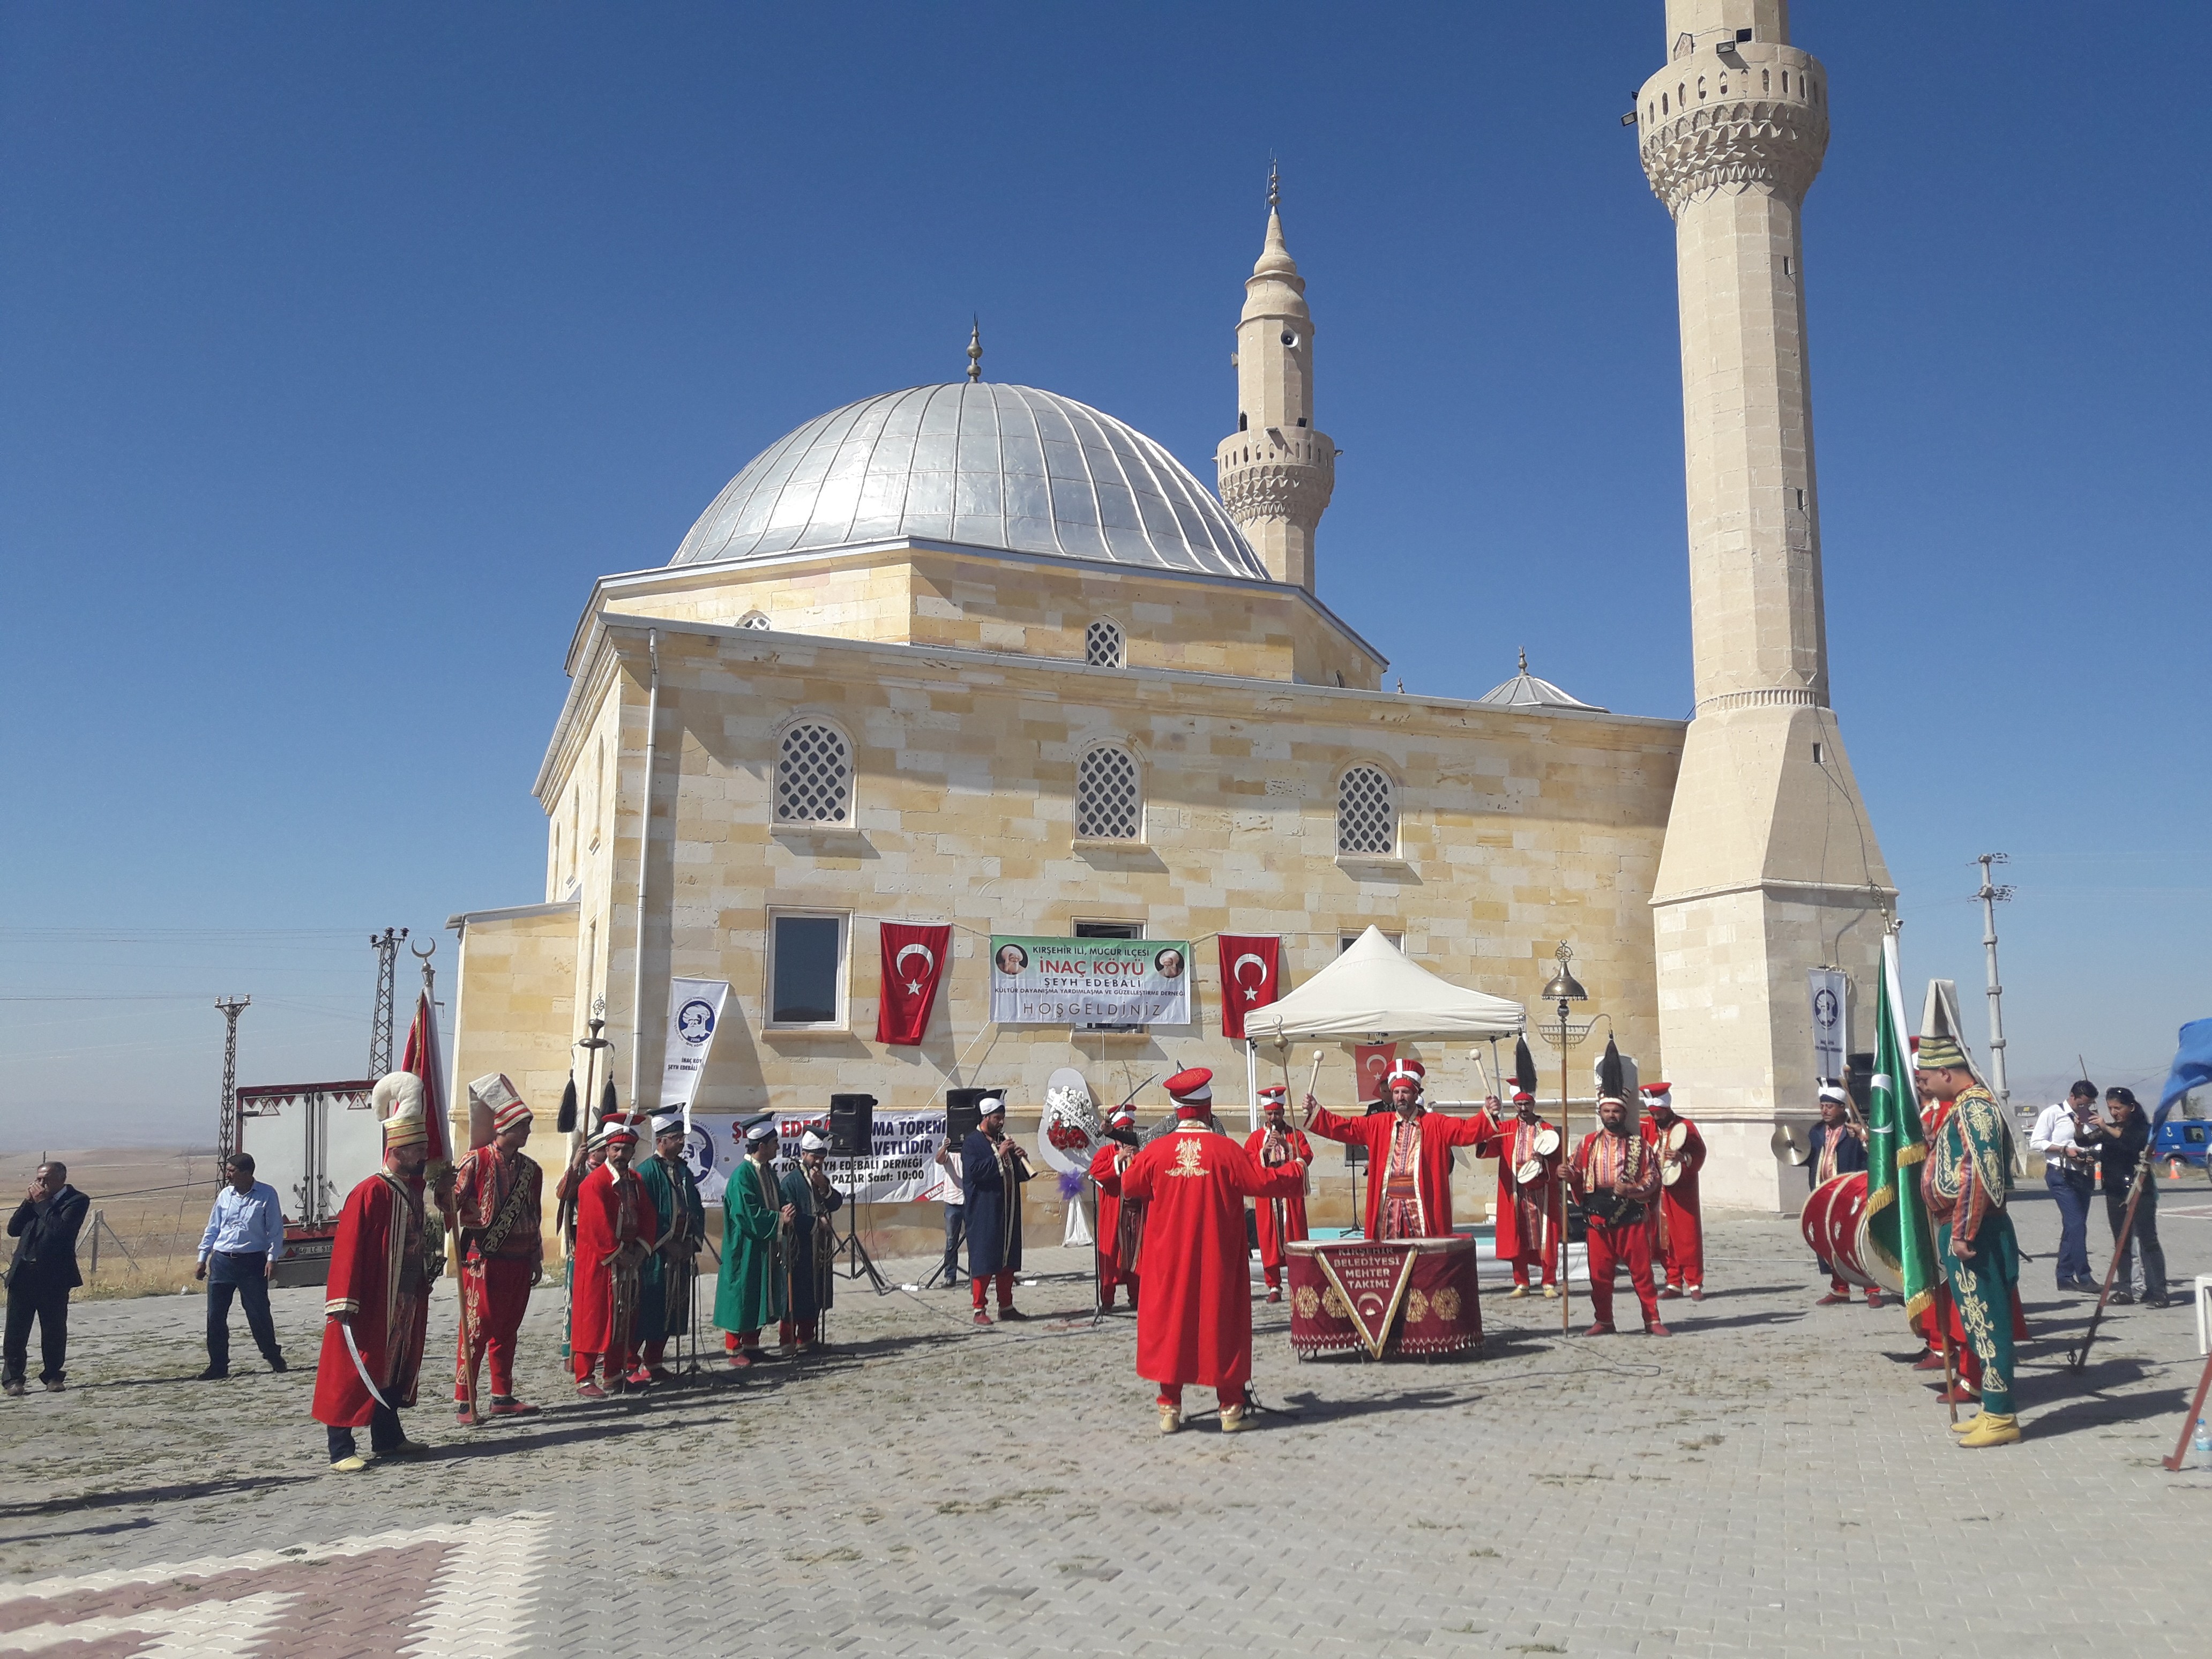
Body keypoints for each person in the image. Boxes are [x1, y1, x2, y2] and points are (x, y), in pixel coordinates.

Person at [1118, 1078, 1307, 1433]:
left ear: (1177, 1111)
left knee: (1171, 1327)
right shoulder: (1226, 1150)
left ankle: (1169, 1409)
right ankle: (1231, 1409)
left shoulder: (1156, 1153)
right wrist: (1295, 1170)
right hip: (1216, 1258)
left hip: (1168, 1260)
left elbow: (1129, 1185)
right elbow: (1263, 1184)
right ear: (1207, 1109)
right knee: (1222, 1325)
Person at [311, 1102, 435, 1471]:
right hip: (371, 1300)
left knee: (393, 1367)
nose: (423, 1157)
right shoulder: (370, 1192)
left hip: (404, 1297)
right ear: (397, 1152)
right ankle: (340, 1449)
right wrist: (343, 1298)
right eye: (417, 1151)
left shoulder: (411, 1192)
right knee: (356, 1367)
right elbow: (349, 1248)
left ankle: (388, 1437)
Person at [1916, 1033, 2023, 1446]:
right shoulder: (1960, 1108)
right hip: (1963, 1226)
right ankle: (1991, 1410)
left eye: (1926, 1075)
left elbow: (1978, 1172)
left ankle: (2001, 1417)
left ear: (1946, 1072)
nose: (1923, 1083)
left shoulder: (1976, 1106)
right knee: (1977, 1324)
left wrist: (1962, 1231)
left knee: (1989, 1322)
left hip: (1974, 1231)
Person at [1303, 1060, 1495, 1240]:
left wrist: (1487, 1112)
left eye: (1405, 1092)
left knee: (1424, 1256)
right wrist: (1317, 1111)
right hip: (1388, 1207)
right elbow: (1346, 1127)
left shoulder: (1436, 1124)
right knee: (1390, 1255)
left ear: (1416, 1094)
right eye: (1396, 1092)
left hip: (1421, 1207)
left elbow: (1466, 1130)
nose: (1400, 1097)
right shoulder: (1379, 1124)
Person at [451, 1092, 544, 1422]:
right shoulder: (474, 1161)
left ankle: (502, 1395)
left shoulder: (532, 1170)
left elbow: (535, 1215)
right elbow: (451, 1203)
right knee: (476, 1329)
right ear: (505, 1127)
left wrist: (536, 1257)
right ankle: (466, 1400)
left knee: (508, 1329)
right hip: (483, 1260)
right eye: (524, 1126)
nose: (529, 1133)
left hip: (519, 1261)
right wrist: (447, 1194)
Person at [570, 1112, 659, 1398]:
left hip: (629, 1261)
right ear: (607, 1149)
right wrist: (618, 1253)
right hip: (600, 1262)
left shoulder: (635, 1180)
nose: (621, 1154)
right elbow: (597, 1226)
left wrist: (641, 1249)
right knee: (594, 1318)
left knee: (624, 1318)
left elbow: (648, 1216)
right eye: (616, 1149)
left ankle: (615, 1374)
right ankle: (584, 1377)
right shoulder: (594, 1183)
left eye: (627, 1150)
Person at [1568, 1091, 1668, 1337]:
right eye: (1607, 1111)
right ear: (1600, 1113)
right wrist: (1567, 1174)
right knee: (1599, 1274)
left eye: (1616, 1111)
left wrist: (1633, 1189)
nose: (1611, 1115)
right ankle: (1604, 1321)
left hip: (1630, 1212)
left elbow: (1654, 1176)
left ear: (1624, 1113)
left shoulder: (1640, 1145)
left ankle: (1652, 1319)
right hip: (1597, 1213)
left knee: (1642, 1271)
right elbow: (1575, 1169)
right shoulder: (1588, 1142)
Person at [193, 1152, 288, 1381]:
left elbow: (274, 1229)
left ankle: (272, 1355)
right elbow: (213, 1228)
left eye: (232, 1171)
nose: (227, 1175)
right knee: (215, 1316)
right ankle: (218, 1365)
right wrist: (202, 1258)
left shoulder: (266, 1194)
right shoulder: (225, 1196)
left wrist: (272, 1258)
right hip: (222, 1261)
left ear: (246, 1173)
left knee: (258, 1314)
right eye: (228, 1170)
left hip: (251, 1263)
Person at [4, 1161, 88, 1398]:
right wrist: (28, 1203)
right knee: (16, 1331)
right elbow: (14, 1229)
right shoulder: (35, 1202)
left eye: (46, 1180)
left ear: (61, 1179)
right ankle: (13, 1379)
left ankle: (53, 1376)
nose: (40, 1184)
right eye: (38, 1179)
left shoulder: (77, 1200)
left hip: (54, 1278)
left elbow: (59, 1232)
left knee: (54, 1328)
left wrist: (43, 1203)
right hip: (23, 1275)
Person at [2081, 1087, 2167, 1307]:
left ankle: (2158, 1291)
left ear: (2131, 1107)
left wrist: (2105, 1127)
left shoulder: (2142, 1129)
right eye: (2110, 1108)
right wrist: (2079, 1125)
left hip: (2139, 1190)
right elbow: (2083, 1141)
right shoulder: (2110, 1129)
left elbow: (2130, 1143)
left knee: (2148, 1240)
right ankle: (2126, 1289)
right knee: (2121, 1242)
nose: (2114, 1113)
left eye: (2118, 1108)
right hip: (2114, 1191)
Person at [715, 1122, 790, 1367]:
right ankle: (734, 1349)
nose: (778, 1146)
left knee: (759, 1294)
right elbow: (748, 1213)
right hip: (745, 1246)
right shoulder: (742, 1175)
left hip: (764, 1246)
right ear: (762, 1146)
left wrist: (788, 1208)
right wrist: (780, 1220)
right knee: (742, 1294)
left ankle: (752, 1345)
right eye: (774, 1143)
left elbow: (777, 1199)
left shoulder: (768, 1171)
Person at [638, 1113, 706, 1378]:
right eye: (677, 1138)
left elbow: (697, 1209)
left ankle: (654, 1362)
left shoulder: (684, 1171)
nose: (682, 1143)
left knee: (674, 1310)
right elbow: (646, 1214)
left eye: (683, 1138)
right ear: (662, 1140)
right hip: (656, 1257)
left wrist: (692, 1243)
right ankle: (633, 1364)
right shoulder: (647, 1172)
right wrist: (666, 1245)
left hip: (682, 1253)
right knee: (650, 1309)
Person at [1480, 1090, 1560, 1298]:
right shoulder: (1506, 1129)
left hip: (1541, 1191)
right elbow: (1488, 1146)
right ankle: (1522, 1282)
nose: (1523, 1108)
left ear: (1533, 1104)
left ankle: (1549, 1282)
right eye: (1519, 1104)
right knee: (1518, 1235)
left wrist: (1543, 1161)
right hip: (1516, 1192)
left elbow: (1558, 1161)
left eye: (1527, 1104)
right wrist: (1490, 1120)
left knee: (1546, 1236)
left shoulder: (1548, 1129)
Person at [963, 1095, 1036, 1325]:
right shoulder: (973, 1142)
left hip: (1008, 1212)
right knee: (986, 1261)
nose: (1001, 1123)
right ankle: (979, 1310)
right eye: (997, 1118)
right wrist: (999, 1154)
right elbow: (975, 1172)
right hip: (985, 1212)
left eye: (1003, 1118)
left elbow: (1013, 1175)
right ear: (986, 1118)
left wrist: (1020, 1160)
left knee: (1007, 1261)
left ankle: (1006, 1306)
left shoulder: (1001, 1140)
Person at [1804, 1084, 1876, 1307]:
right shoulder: (1815, 1133)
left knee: (1855, 1243)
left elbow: (1873, 1154)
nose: (1825, 1111)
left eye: (1830, 1107)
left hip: (1850, 1194)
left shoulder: (1853, 1132)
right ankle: (1840, 1289)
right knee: (1830, 1243)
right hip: (1823, 1195)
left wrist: (1865, 1136)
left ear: (1842, 1108)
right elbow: (1808, 1157)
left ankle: (1871, 1289)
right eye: (1822, 1106)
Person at [2029, 1081, 2101, 1292]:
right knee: (2077, 1224)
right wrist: (2064, 1150)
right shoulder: (2053, 1114)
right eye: (2082, 1104)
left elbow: (2097, 1142)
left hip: (2084, 1175)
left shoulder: (2091, 1118)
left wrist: (2092, 1155)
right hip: (2061, 1175)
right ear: (2072, 1096)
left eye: (2090, 1105)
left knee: (2074, 1226)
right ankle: (2085, 1276)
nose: (2085, 1108)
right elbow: (2036, 1142)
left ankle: (2064, 1275)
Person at [1244, 1087, 1313, 1303]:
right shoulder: (1256, 1138)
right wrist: (1264, 1152)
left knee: (1294, 1235)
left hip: (1290, 1194)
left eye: (1278, 1114)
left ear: (1283, 1112)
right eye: (1270, 1114)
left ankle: (1298, 1281)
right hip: (1268, 1195)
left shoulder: (1296, 1134)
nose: (1274, 1118)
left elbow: (1307, 1157)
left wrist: (1287, 1146)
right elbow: (1247, 1162)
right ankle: (1274, 1285)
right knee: (1269, 1239)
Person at [1638, 1082, 1705, 1301]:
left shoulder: (1686, 1126)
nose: (1655, 1117)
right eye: (1652, 1113)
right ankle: (1673, 1281)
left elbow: (1699, 1154)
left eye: (1658, 1113)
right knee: (1663, 1238)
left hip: (1681, 1191)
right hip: (1657, 1193)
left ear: (1667, 1108)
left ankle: (1694, 1283)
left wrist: (1683, 1158)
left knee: (1687, 1236)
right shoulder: (1647, 1126)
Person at [778, 1129, 843, 1352]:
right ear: (804, 1154)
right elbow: (790, 1214)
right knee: (795, 1294)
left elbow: (835, 1202)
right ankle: (787, 1340)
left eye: (822, 1158)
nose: (818, 1162)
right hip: (799, 1246)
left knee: (816, 1291)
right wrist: (816, 1224)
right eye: (814, 1157)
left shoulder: (820, 1180)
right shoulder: (791, 1182)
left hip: (819, 1248)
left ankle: (808, 1337)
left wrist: (824, 1186)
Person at [1089, 1105, 1145, 1311]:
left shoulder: (1142, 1152)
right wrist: (1118, 1160)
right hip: (1114, 1213)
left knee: (1137, 1256)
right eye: (1124, 1130)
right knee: (1111, 1255)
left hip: (1136, 1212)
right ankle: (1107, 1299)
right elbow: (1095, 1173)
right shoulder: (1106, 1153)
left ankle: (1136, 1296)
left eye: (1130, 1130)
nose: (1127, 1134)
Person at [932, 1134, 966, 1287]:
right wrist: (946, 1147)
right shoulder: (949, 1149)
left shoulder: (970, 1148)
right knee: (952, 1241)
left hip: (970, 1200)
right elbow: (939, 1159)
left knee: (974, 1241)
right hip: (953, 1201)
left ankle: (976, 1275)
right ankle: (950, 1275)